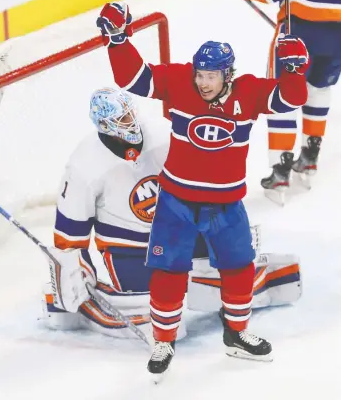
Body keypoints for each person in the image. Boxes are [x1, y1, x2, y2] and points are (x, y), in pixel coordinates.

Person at [96, 1, 309, 379]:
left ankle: (236, 334)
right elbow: (135, 79)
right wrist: (118, 40)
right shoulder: (179, 83)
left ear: (228, 75)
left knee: (240, 268)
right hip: (177, 202)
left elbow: (290, 99)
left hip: (227, 204)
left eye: (211, 75)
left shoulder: (249, 92)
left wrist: (294, 70)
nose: (203, 82)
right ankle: (163, 340)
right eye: (200, 74)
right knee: (167, 271)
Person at [42, 87, 301, 343]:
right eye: (122, 119)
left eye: (131, 113)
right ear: (105, 125)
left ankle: (246, 281)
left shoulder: (163, 132)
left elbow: (205, 178)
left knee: (219, 274)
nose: (131, 122)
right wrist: (77, 274)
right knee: (151, 305)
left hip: (179, 228)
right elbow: (70, 233)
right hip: (129, 249)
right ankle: (87, 310)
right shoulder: (84, 165)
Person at [223, 0, 341, 202]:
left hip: (300, 27)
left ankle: (281, 168)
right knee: (319, 89)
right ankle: (310, 155)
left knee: (282, 95)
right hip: (338, 36)